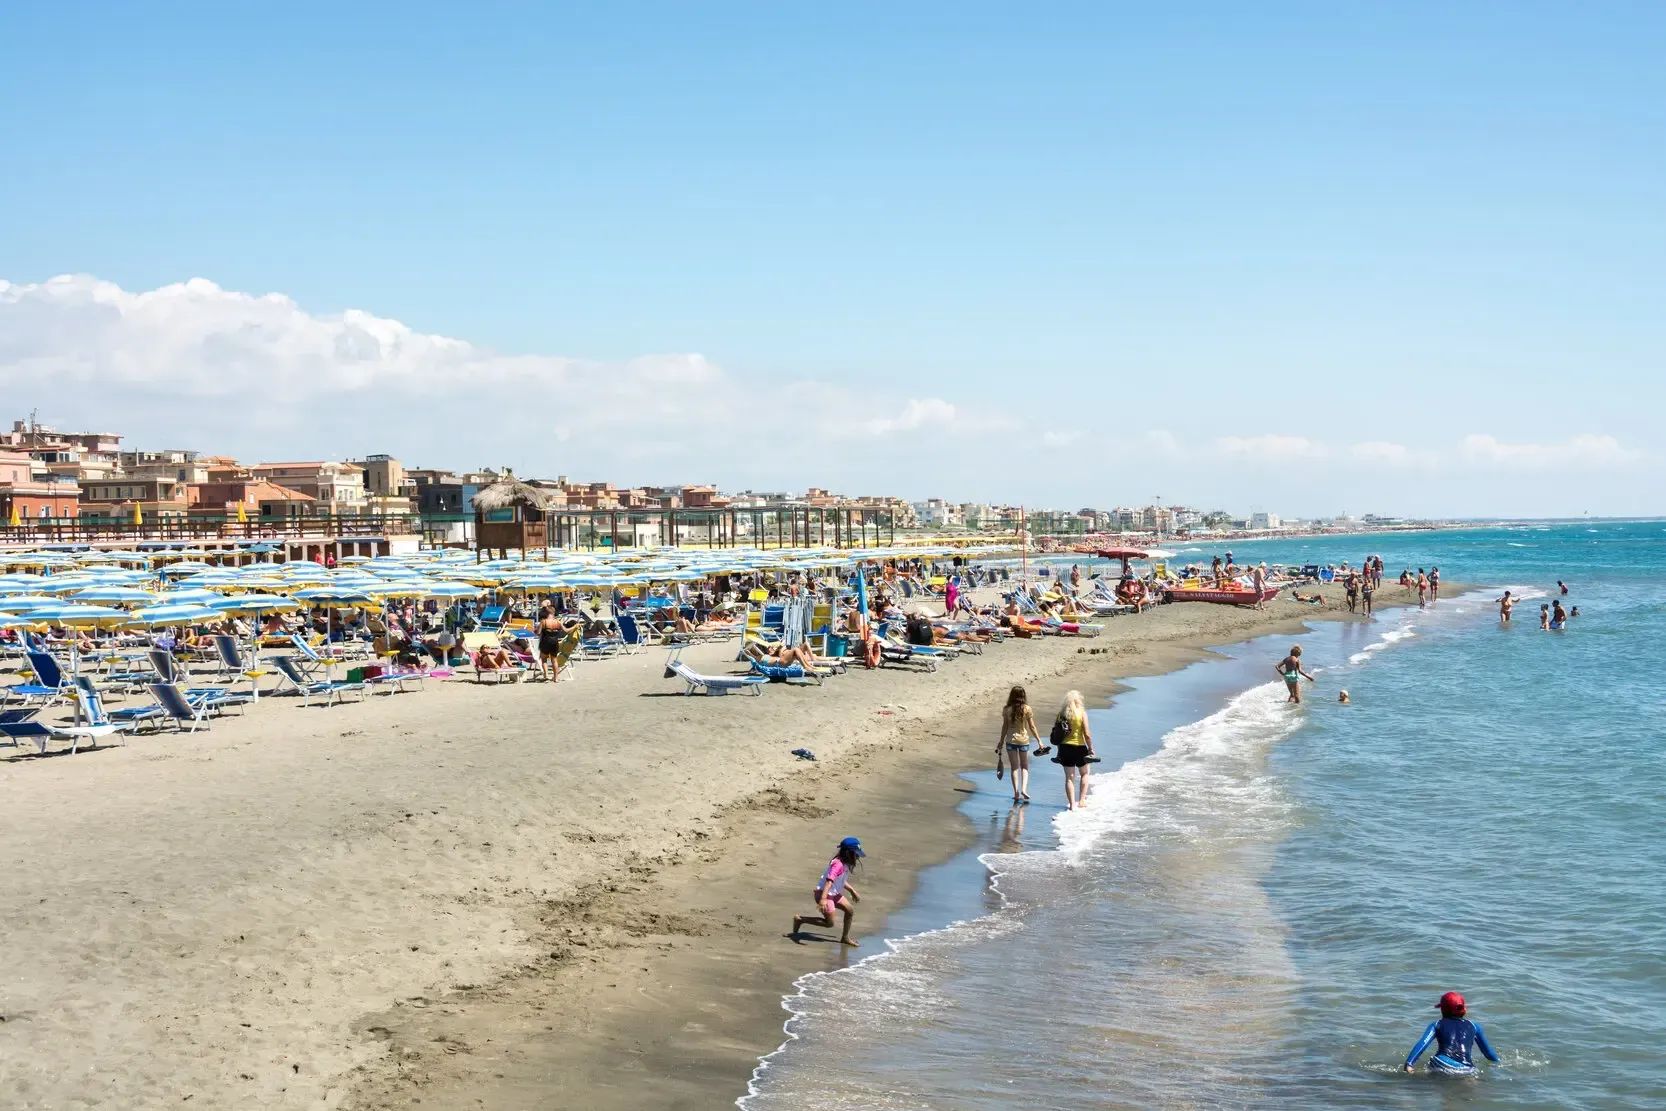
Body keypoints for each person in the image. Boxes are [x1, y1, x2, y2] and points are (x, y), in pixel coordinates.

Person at [791, 837, 864, 947]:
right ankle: (800, 919)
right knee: (829, 923)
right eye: (856, 853)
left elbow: (841, 881)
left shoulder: (845, 864)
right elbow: (829, 882)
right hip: (823, 894)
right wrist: (823, 900)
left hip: (833, 894)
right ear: (849, 853)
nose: (858, 856)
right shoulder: (838, 864)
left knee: (849, 910)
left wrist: (852, 891)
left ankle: (845, 938)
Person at [1404, 992, 1498, 1075]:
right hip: (1466, 1069)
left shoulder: (1437, 1024)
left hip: (1441, 1063)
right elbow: (1488, 1053)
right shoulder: (1474, 1026)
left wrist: (1409, 1063)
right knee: (1470, 1086)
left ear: (1443, 1010)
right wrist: (1498, 1063)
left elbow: (1423, 1043)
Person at [996, 685, 1043, 804]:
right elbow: (1032, 726)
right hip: (1023, 741)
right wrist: (1039, 741)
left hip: (1010, 741)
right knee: (1024, 767)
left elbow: (1004, 726)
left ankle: (1016, 793)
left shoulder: (1007, 709)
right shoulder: (1027, 709)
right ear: (1023, 696)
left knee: (1014, 768)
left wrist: (1001, 741)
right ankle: (1024, 789)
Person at [1052, 690, 1096, 811]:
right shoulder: (1081, 713)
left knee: (1069, 777)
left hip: (1065, 748)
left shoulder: (1061, 714)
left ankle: (1072, 805)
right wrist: (1091, 749)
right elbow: (1087, 734)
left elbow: (1057, 735)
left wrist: (1058, 752)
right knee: (1085, 773)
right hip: (1080, 747)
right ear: (1078, 700)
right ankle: (1081, 801)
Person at [536, 606, 565, 682]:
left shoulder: (543, 621)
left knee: (544, 660)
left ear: (546, 613)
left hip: (545, 642)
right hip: (554, 643)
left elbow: (538, 633)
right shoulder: (558, 622)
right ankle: (556, 678)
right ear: (553, 613)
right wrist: (574, 626)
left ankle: (546, 675)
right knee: (554, 660)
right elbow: (566, 630)